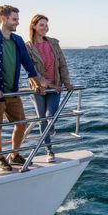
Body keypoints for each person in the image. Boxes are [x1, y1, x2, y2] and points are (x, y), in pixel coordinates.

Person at [0, 5, 41, 171]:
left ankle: (14, 155)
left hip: (12, 92)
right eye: (15, 19)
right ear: (3, 19)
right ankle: (0, 158)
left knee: (21, 124)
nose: (18, 23)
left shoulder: (18, 40)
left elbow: (28, 64)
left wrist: (37, 83)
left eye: (18, 19)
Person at [25, 14, 73, 163]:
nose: (45, 28)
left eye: (46, 25)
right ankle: (49, 150)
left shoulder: (53, 43)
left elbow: (62, 64)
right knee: (42, 120)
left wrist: (67, 82)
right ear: (33, 26)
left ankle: (51, 127)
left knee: (50, 115)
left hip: (56, 86)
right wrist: (44, 83)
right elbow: (31, 69)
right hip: (39, 88)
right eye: (41, 25)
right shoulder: (28, 46)